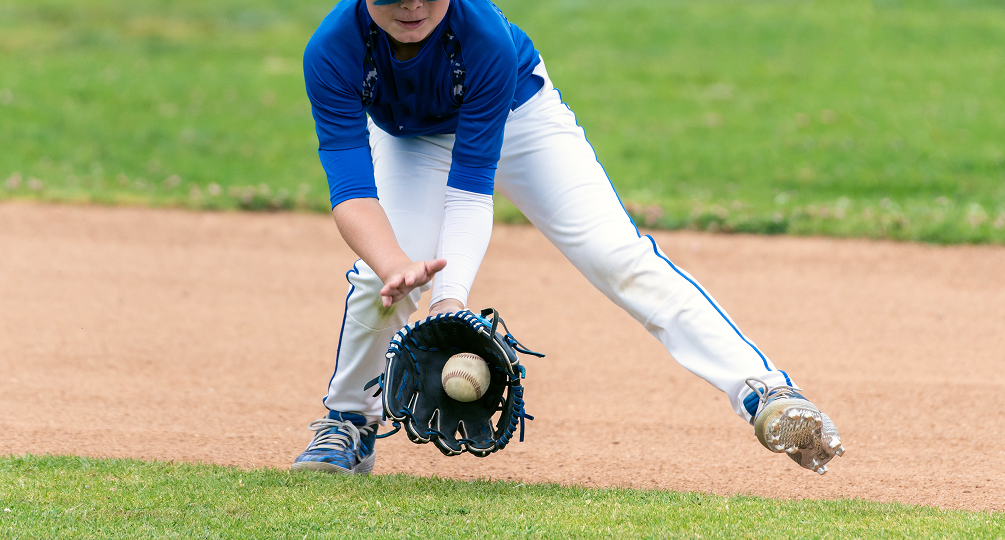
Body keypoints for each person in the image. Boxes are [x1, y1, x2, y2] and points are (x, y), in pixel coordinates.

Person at [291, 0, 845, 476]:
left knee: (617, 256)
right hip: (412, 141)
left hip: (520, 118)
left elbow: (470, 189)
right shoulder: (333, 51)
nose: (412, 6)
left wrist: (450, 300)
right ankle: (348, 420)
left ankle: (765, 393)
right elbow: (352, 194)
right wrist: (394, 266)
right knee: (377, 279)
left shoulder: (481, 36)